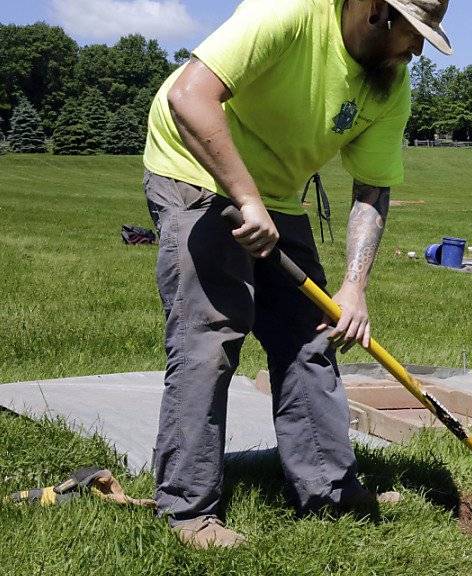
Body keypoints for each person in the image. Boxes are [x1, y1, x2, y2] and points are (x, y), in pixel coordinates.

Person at [141, 0, 452, 549]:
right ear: (378, 11)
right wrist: (245, 197)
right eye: (414, 31)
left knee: (312, 334)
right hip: (195, 165)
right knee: (209, 336)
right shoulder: (290, 10)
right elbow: (188, 95)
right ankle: (187, 510)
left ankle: (329, 488)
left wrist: (354, 286)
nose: (419, 49)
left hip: (275, 193)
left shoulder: (389, 83)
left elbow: (373, 189)